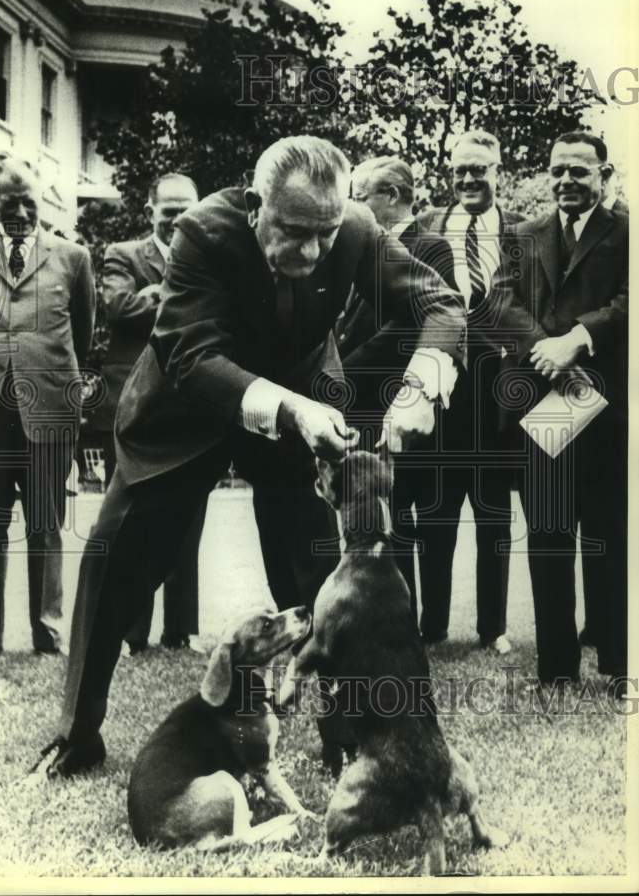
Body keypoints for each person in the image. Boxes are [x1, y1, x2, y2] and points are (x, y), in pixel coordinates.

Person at [34, 135, 467, 778]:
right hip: (189, 408)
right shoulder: (204, 231)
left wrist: (422, 387)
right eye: (294, 231)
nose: (314, 250)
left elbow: (441, 304)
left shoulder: (355, 229)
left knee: (318, 572)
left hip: (304, 408)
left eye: (325, 232)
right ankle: (75, 735)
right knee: (119, 557)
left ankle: (347, 738)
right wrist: (291, 408)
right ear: (256, 204)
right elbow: (189, 353)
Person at [497, 131, 628, 691]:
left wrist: (580, 338)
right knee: (549, 534)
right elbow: (499, 301)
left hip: (610, 407)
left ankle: (622, 664)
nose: (567, 181)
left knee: (612, 536)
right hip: (545, 401)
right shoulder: (524, 234)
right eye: (558, 170)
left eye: (580, 170)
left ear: (605, 173)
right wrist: (547, 350)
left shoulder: (629, 232)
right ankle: (555, 669)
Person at [0, 153, 96, 659]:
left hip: (49, 410)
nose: (20, 212)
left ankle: (48, 634)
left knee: (46, 526)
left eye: (29, 202)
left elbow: (82, 335)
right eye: (9, 203)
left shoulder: (73, 258)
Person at [408, 131, 525, 653]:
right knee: (436, 514)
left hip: (497, 393)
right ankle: (432, 627)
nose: (469, 180)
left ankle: (493, 629)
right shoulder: (426, 228)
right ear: (448, 172)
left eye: (480, 169)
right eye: (460, 171)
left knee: (494, 514)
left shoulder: (523, 233)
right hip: (442, 385)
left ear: (498, 170)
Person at [339, 156, 455, 628]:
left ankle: (430, 621)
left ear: (390, 195)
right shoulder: (356, 247)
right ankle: (394, 614)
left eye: (359, 197)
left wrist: (341, 367)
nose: (351, 206)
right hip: (361, 402)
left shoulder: (432, 246)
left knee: (413, 506)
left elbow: (408, 324)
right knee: (382, 512)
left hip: (402, 398)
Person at [94, 172, 206, 654]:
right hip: (133, 409)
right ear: (150, 212)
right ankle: (130, 632)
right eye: (169, 210)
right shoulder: (122, 254)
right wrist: (177, 292)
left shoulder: (210, 255)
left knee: (189, 521)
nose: (179, 218)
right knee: (131, 522)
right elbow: (118, 307)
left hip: (189, 403)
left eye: (188, 209)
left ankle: (182, 631)